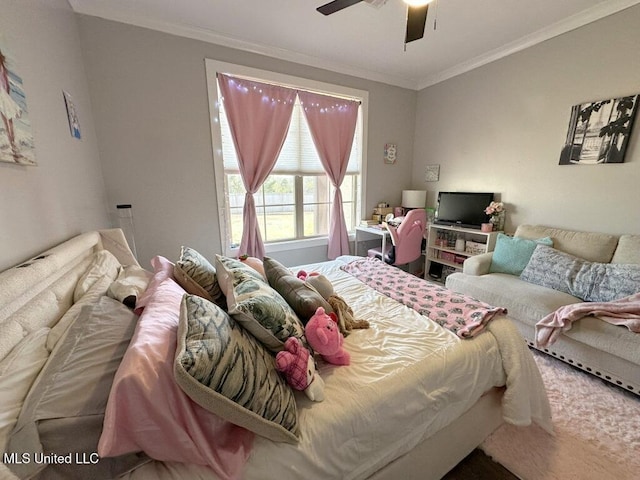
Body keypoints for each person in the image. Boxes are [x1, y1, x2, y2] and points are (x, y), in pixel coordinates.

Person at [0, 49, 22, 158]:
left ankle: (12, 142)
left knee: (6, 119)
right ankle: (12, 143)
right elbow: (6, 83)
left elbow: (6, 83)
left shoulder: (1, 67)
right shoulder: (2, 67)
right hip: (3, 94)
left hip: (2, 95)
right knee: (9, 119)